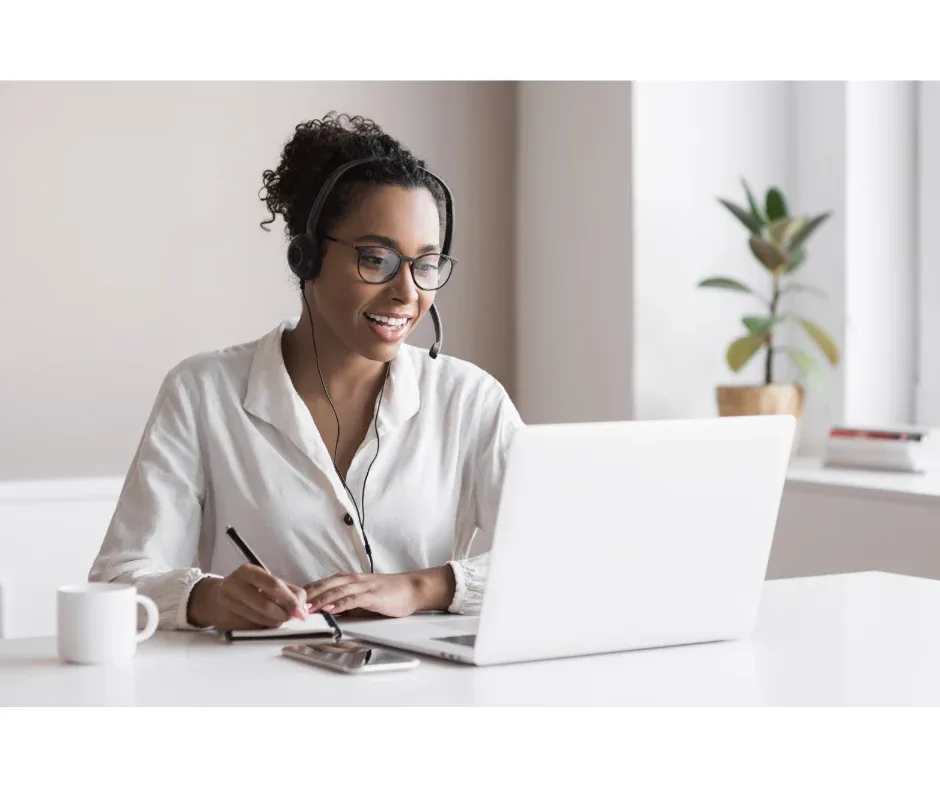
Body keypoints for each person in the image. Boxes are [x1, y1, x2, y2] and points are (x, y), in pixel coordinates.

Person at [89, 112, 523, 632]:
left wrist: (418, 588)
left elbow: (560, 559)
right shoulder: (202, 392)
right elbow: (118, 581)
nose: (407, 293)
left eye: (424, 264)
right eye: (376, 258)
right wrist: (206, 597)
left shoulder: (470, 400)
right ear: (307, 256)